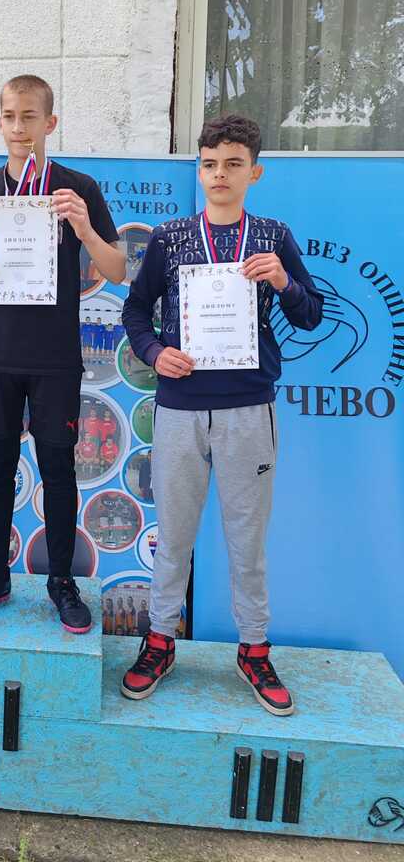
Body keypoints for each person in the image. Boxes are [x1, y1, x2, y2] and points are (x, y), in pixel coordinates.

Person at [120, 114, 323, 716]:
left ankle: (254, 648)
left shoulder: (273, 235)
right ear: (199, 170)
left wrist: (284, 280)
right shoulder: (170, 236)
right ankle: (160, 640)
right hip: (180, 409)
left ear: (254, 172)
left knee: (246, 539)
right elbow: (135, 311)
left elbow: (310, 314)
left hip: (248, 408)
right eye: (209, 164)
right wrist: (155, 353)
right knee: (174, 535)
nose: (219, 174)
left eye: (233, 164)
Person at [0, 74, 125, 632]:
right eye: (9, 116)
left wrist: (84, 228)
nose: (19, 127)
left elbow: (118, 268)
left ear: (50, 123)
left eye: (29, 116)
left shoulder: (78, 188)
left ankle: (62, 581)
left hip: (54, 357)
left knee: (58, 469)